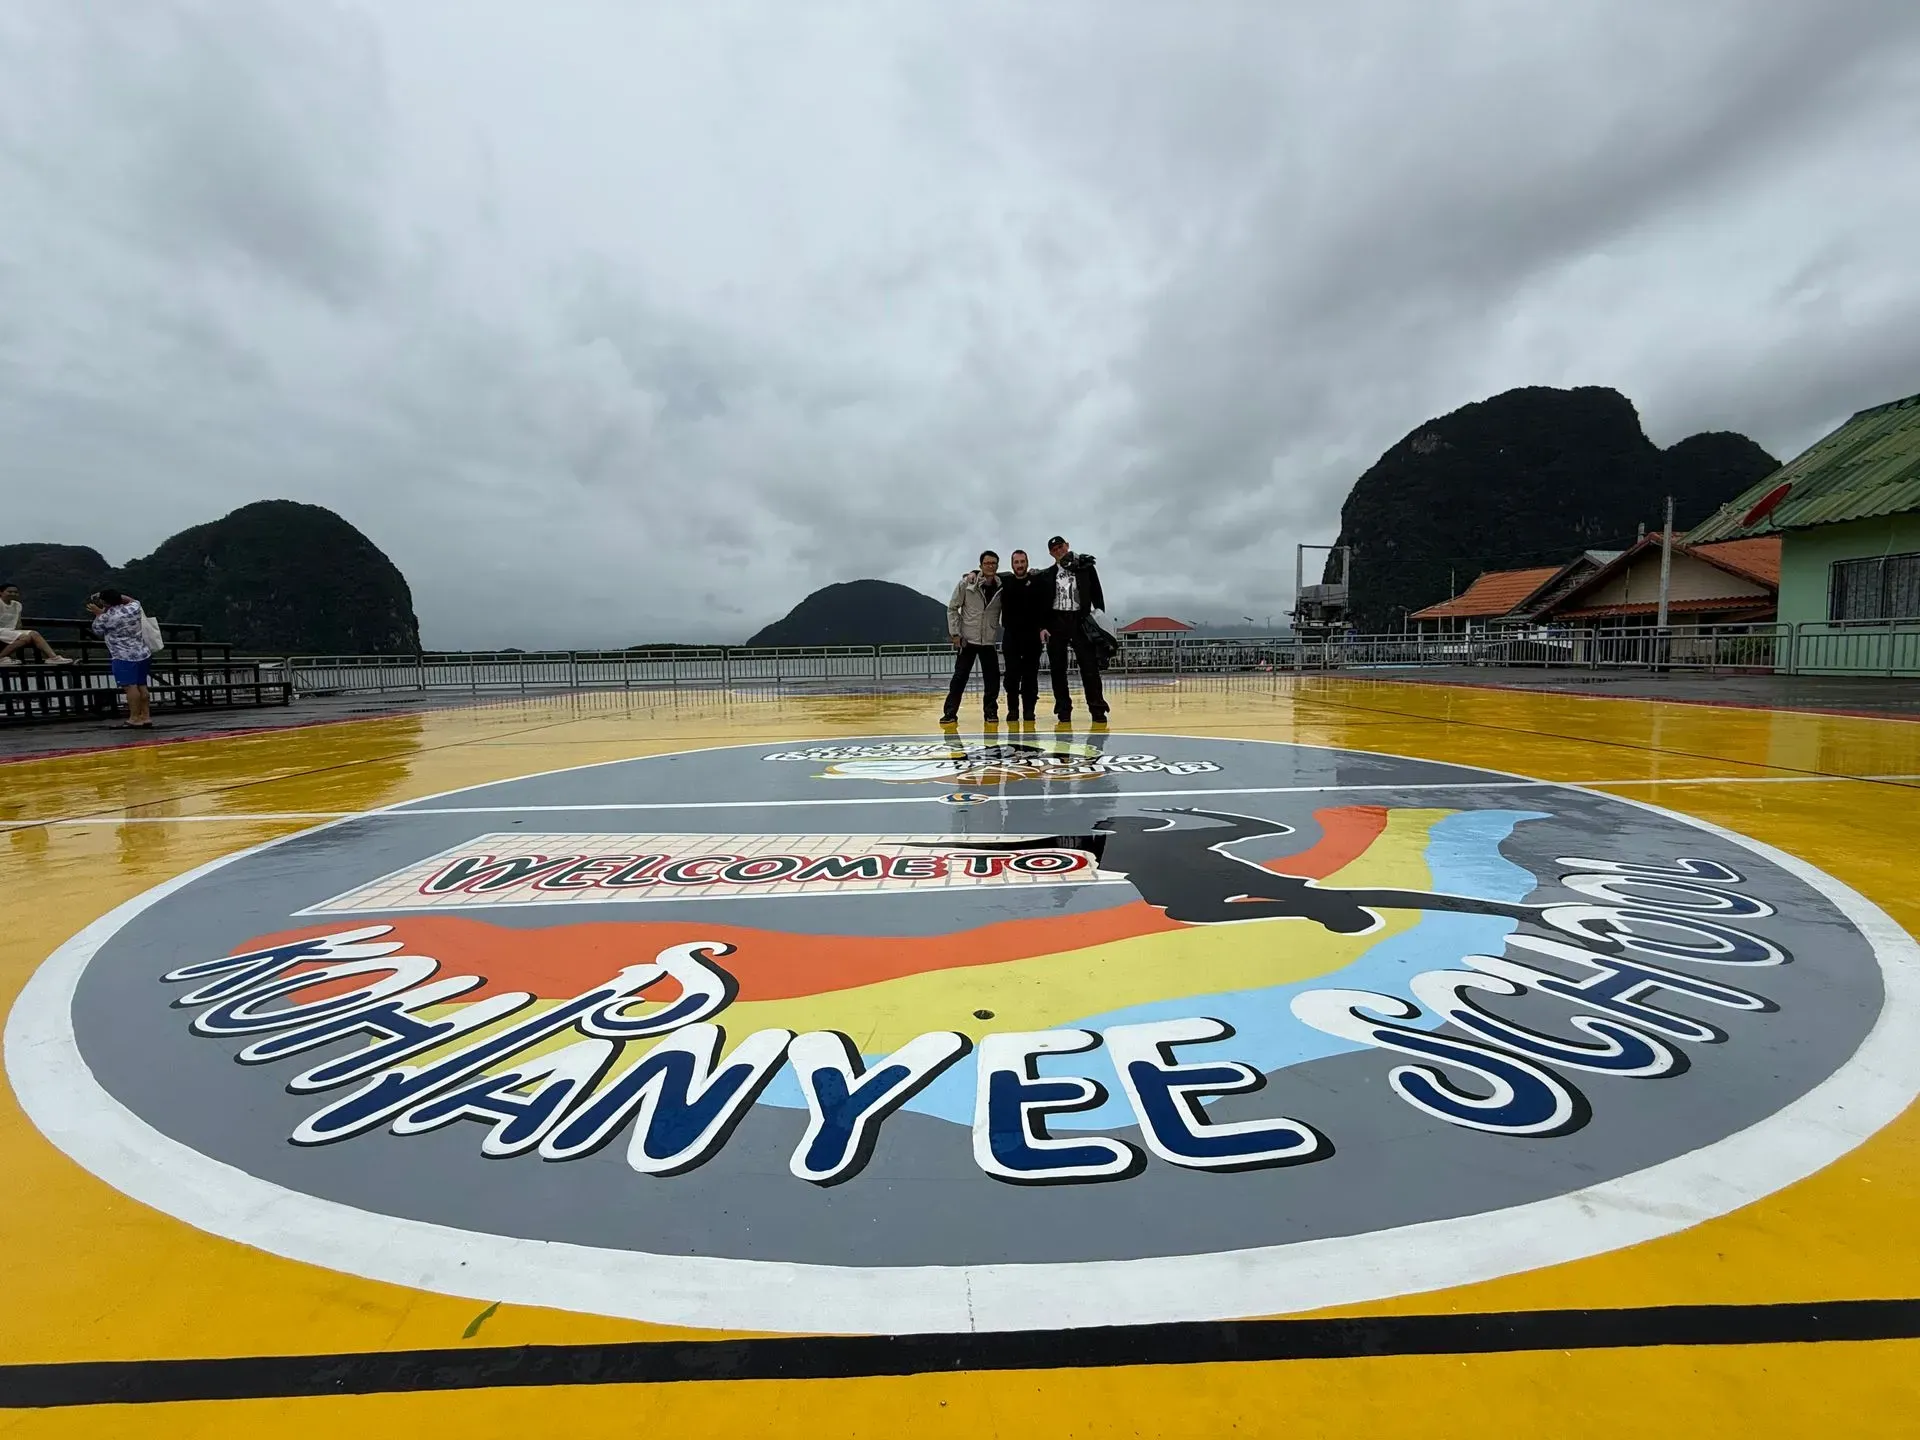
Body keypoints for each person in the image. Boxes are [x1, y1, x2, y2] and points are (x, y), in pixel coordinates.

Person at [1036, 535, 1108, 723]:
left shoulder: (1085, 567)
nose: (1059, 551)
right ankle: (1063, 709)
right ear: (1051, 553)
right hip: (1056, 620)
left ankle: (1097, 708)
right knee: (1058, 669)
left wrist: (1099, 616)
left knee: (1089, 666)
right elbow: (1042, 603)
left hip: (1079, 619)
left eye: (1061, 547)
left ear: (1067, 546)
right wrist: (1043, 626)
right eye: (1055, 549)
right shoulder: (1047, 575)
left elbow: (1097, 593)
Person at [942, 551, 1005, 725]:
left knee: (992, 679)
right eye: (987, 563)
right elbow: (953, 608)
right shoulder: (967, 584)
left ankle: (991, 712)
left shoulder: (1002, 586)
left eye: (993, 563)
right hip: (968, 639)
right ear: (980, 566)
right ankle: (950, 713)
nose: (990, 566)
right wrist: (955, 634)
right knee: (959, 678)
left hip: (989, 640)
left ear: (997, 566)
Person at [86, 588, 153, 727]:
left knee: (130, 687)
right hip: (142, 652)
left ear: (104, 602)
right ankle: (146, 717)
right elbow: (132, 600)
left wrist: (98, 613)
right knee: (142, 686)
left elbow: (97, 631)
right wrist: (116, 598)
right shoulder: (133, 608)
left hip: (123, 655)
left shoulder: (106, 618)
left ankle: (134, 718)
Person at [996, 549, 1048, 723]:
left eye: (1022, 562)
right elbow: (987, 572)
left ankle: (1029, 710)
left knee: (1030, 676)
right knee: (1011, 676)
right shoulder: (1005, 580)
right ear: (1012, 564)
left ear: (1027, 563)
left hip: (1032, 635)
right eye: (1016, 562)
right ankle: (1012, 710)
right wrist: (973, 573)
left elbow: (1043, 606)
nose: (1020, 565)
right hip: (1011, 635)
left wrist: (1043, 627)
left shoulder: (1037, 580)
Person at [0, 582, 76, 666]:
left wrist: (19, 631)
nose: (13, 594)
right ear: (1, 592)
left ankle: (53, 657)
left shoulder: (17, 605)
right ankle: (1, 657)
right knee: (25, 637)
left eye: (15, 592)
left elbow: (18, 622)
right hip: (1, 630)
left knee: (34, 634)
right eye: (9, 592)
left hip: (11, 631)